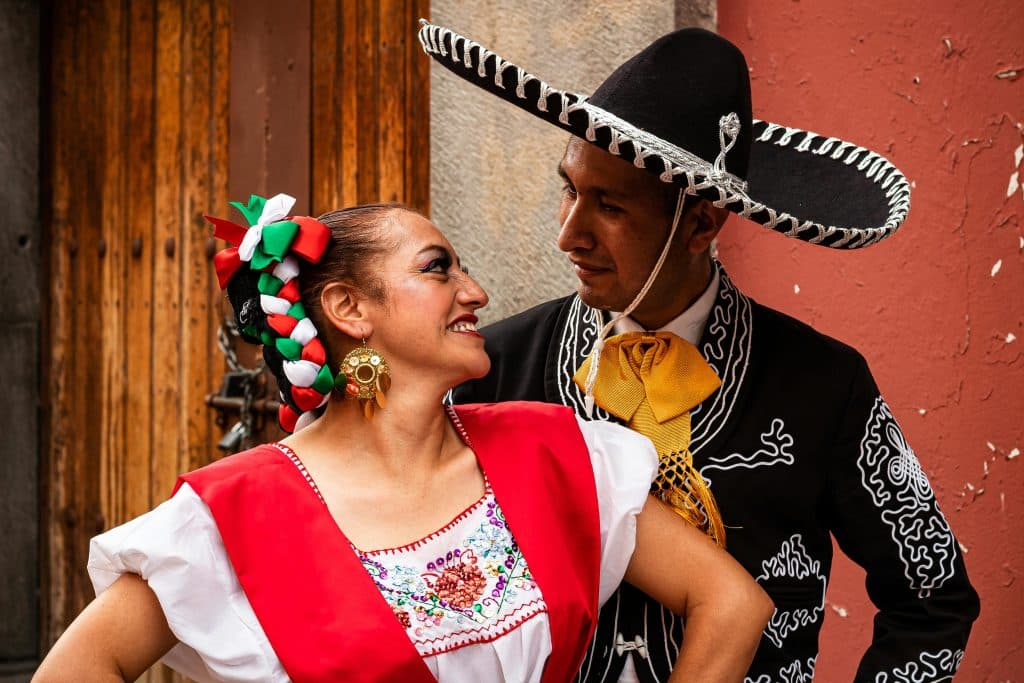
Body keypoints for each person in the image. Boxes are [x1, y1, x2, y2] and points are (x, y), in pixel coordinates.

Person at [420, 20, 981, 683]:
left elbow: (934, 597)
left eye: (609, 206)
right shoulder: (497, 369)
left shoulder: (823, 385)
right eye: (570, 189)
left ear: (700, 224)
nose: (570, 234)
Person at [34, 196, 773, 683]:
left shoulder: (554, 452)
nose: (475, 290)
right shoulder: (236, 512)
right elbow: (79, 667)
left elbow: (732, 602)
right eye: (437, 267)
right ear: (350, 307)